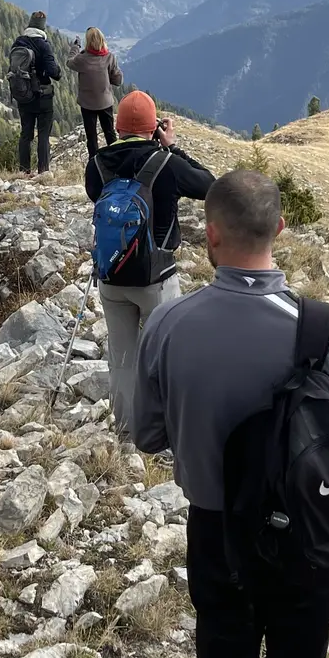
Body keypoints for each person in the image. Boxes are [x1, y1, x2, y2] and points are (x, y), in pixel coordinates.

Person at [130, 169, 329, 658]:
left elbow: (147, 435)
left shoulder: (168, 323)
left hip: (216, 533)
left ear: (210, 232)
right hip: (307, 533)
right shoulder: (324, 330)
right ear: (281, 228)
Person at [86, 89, 214, 432]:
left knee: (122, 357)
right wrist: (172, 147)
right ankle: (166, 428)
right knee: (166, 355)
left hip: (111, 274)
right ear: (153, 127)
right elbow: (209, 185)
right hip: (156, 277)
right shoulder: (166, 163)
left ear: (117, 126)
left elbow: (97, 198)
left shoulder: (97, 164)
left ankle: (127, 430)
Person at [8, 12, 63, 175]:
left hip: (24, 94)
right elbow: (53, 72)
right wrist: (58, 71)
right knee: (44, 134)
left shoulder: (19, 42)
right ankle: (43, 171)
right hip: (42, 96)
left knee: (26, 134)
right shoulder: (43, 45)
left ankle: (24, 170)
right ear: (42, 27)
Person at [66, 27, 123, 156]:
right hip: (105, 102)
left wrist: (76, 47)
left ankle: (94, 162)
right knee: (110, 133)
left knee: (91, 137)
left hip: (87, 104)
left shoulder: (82, 59)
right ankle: (116, 159)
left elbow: (69, 62)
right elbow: (118, 80)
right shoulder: (109, 57)